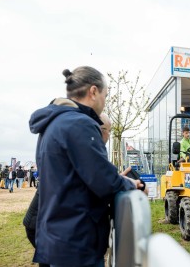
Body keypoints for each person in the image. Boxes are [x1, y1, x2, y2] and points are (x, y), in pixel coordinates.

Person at [29, 66, 144, 267]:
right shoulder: (80, 124)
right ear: (93, 91)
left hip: (57, 237)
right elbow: (104, 180)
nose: (104, 101)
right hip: (76, 243)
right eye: (105, 95)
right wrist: (132, 184)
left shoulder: (54, 123)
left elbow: (81, 174)